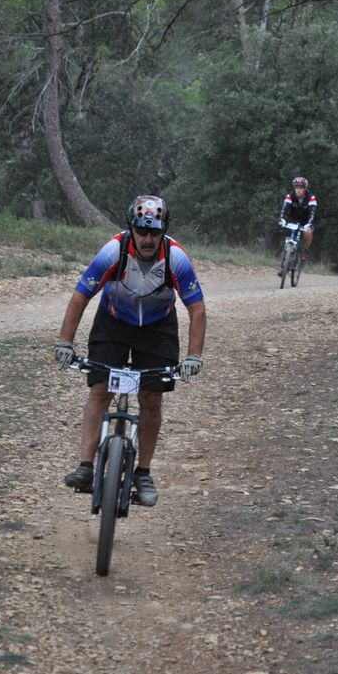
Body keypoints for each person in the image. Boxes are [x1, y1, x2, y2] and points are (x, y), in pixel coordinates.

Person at [54, 195, 206, 507]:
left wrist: (193, 356)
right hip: (113, 322)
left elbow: (197, 309)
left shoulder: (175, 257)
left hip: (157, 327)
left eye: (155, 232)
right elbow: (81, 296)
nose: (148, 239)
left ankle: (143, 473)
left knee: (151, 397)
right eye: (142, 231)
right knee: (99, 389)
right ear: (131, 228)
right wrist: (64, 342)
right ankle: (85, 466)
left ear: (163, 231)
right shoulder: (114, 251)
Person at [278, 176, 318, 273]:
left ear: (305, 188)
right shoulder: (290, 196)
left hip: (306, 221)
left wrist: (309, 223)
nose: (298, 190)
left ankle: (304, 250)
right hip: (292, 220)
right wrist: (282, 218)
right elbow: (284, 209)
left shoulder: (311, 197)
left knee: (308, 233)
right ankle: (283, 265)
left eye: (300, 187)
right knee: (288, 241)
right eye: (296, 187)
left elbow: (312, 212)